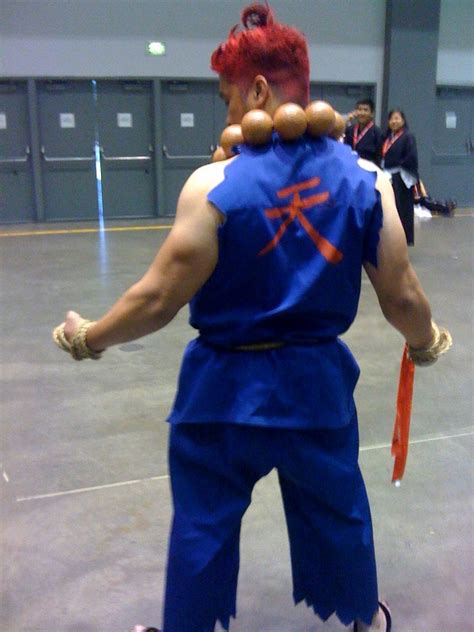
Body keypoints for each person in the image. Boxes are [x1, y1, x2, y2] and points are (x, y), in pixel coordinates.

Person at [53, 4, 451, 632]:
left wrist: (87, 338)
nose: (227, 112)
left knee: (202, 524)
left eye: (228, 96)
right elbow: (401, 297)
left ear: (259, 90)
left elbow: (157, 300)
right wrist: (426, 342)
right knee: (338, 510)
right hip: (313, 392)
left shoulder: (213, 183)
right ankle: (364, 621)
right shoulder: (367, 181)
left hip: (220, 394)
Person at [381, 109, 418, 245]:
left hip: (401, 178)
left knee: (402, 209)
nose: (394, 121)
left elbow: (411, 156)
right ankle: (389, 240)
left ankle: (402, 241)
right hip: (388, 176)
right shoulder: (388, 137)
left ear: (403, 121)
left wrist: (397, 168)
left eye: (397, 118)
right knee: (389, 209)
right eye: (391, 119)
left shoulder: (408, 137)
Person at [345, 99, 383, 166]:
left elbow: (379, 157)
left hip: (368, 169)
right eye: (359, 109)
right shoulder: (349, 130)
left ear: (372, 114)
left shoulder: (377, 133)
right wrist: (346, 120)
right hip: (350, 167)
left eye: (365, 110)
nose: (362, 113)